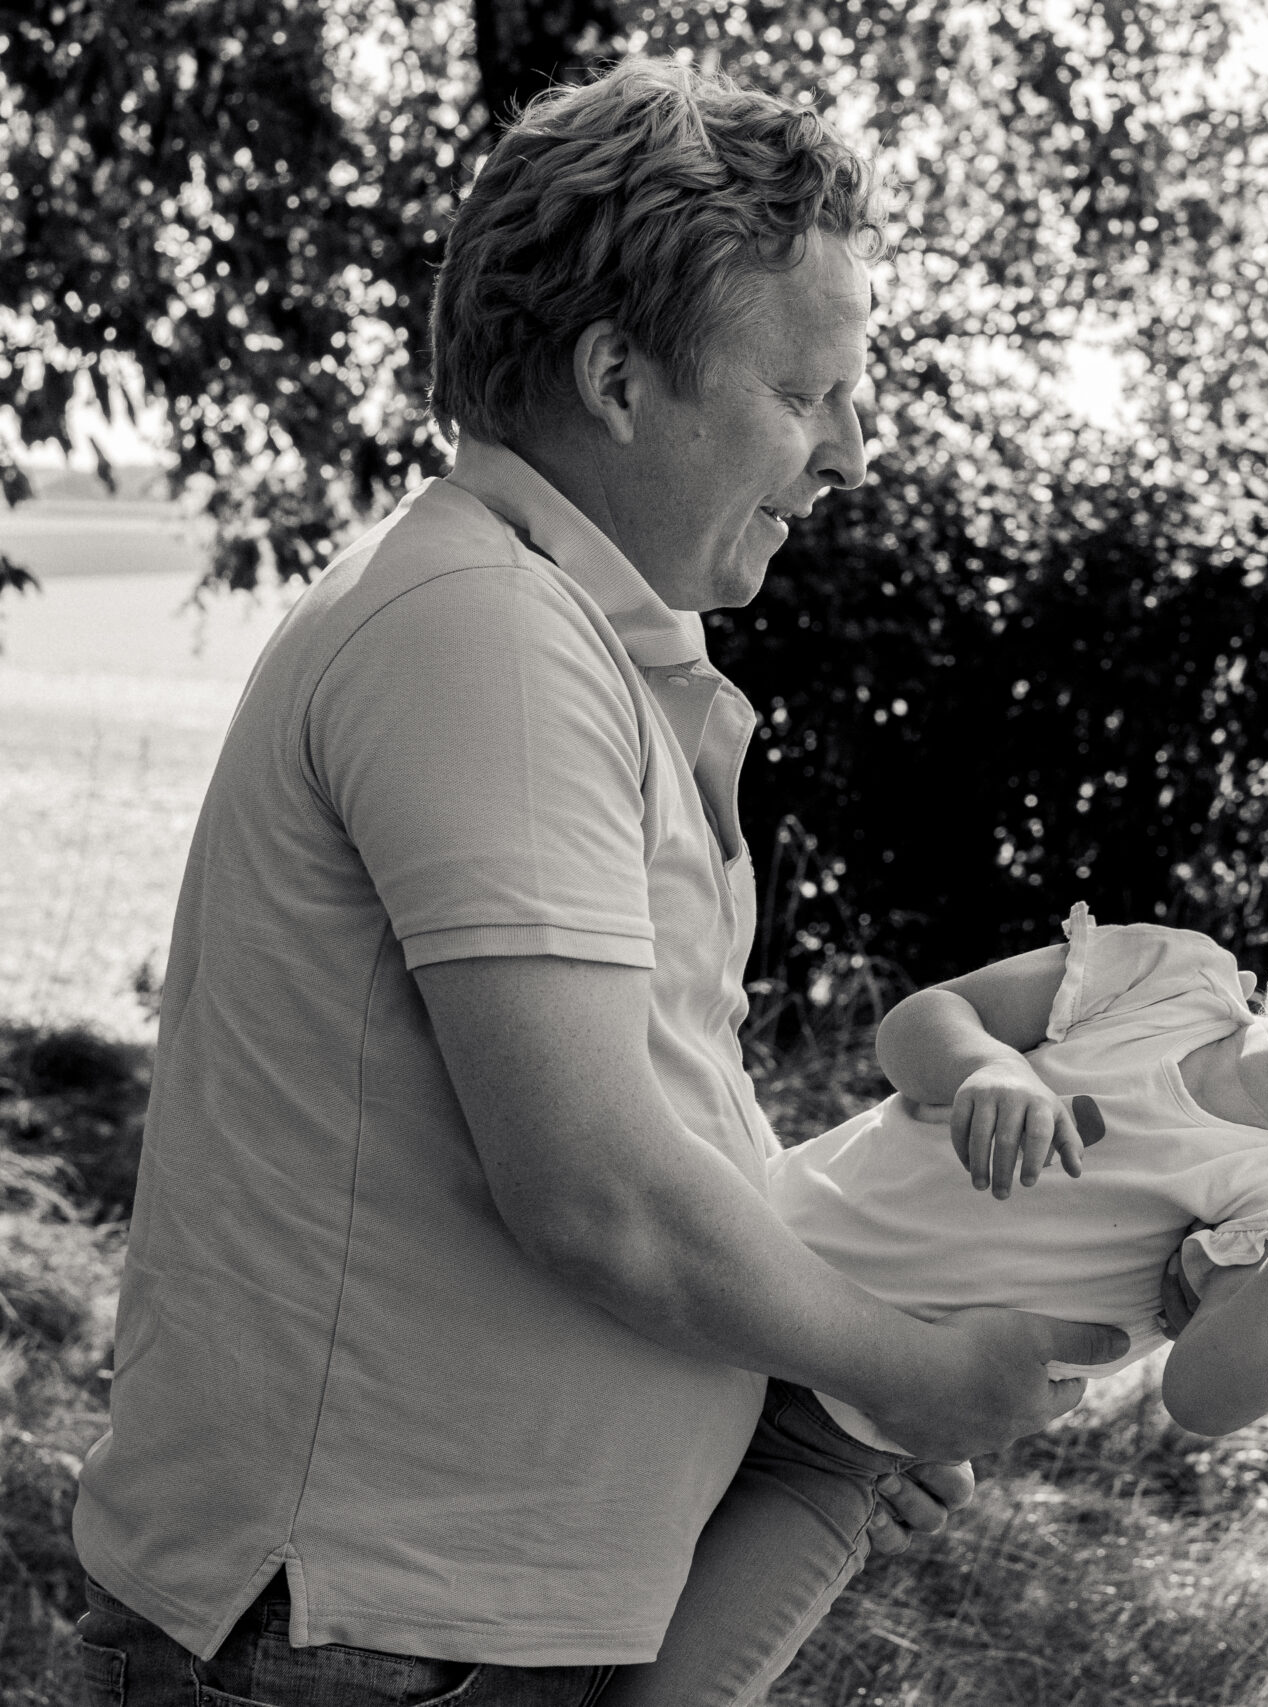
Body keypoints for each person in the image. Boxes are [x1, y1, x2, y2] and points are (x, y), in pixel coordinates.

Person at [71, 56, 1122, 1704]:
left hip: (443, 1620)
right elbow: (597, 1186)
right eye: (806, 393)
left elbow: (667, 1120)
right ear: (617, 374)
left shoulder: (557, 634)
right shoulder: (484, 635)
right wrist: (910, 1371)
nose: (849, 453)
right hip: (356, 1636)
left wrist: (824, 1392)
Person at [600, 903, 1268, 1705]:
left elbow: (1206, 1397)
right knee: (548, 1594)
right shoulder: (1166, 976)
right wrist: (989, 1065)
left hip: (844, 1451)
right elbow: (918, 1025)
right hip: (731, 1273)